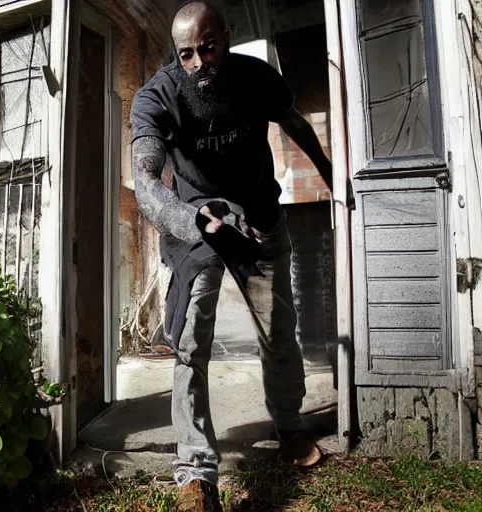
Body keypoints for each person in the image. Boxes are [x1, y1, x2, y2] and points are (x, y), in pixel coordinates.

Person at [130, 2, 334, 510]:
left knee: (278, 330)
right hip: (195, 225)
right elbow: (146, 181)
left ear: (226, 34)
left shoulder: (255, 76)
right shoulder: (157, 96)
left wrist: (330, 173)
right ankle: (195, 471)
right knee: (189, 342)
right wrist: (190, 220)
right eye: (187, 55)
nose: (199, 63)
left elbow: (294, 123)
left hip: (259, 218)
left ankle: (289, 426)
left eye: (208, 47)